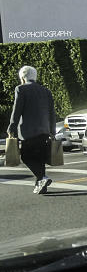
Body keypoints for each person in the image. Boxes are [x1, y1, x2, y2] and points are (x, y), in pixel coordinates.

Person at [7, 66, 56, 194]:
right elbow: (52, 113)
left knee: (26, 157)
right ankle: (40, 185)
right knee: (39, 159)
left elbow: (16, 111)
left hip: (28, 132)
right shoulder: (46, 91)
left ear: (22, 77)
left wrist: (11, 127)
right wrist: (53, 130)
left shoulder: (20, 89)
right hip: (44, 131)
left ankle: (42, 178)